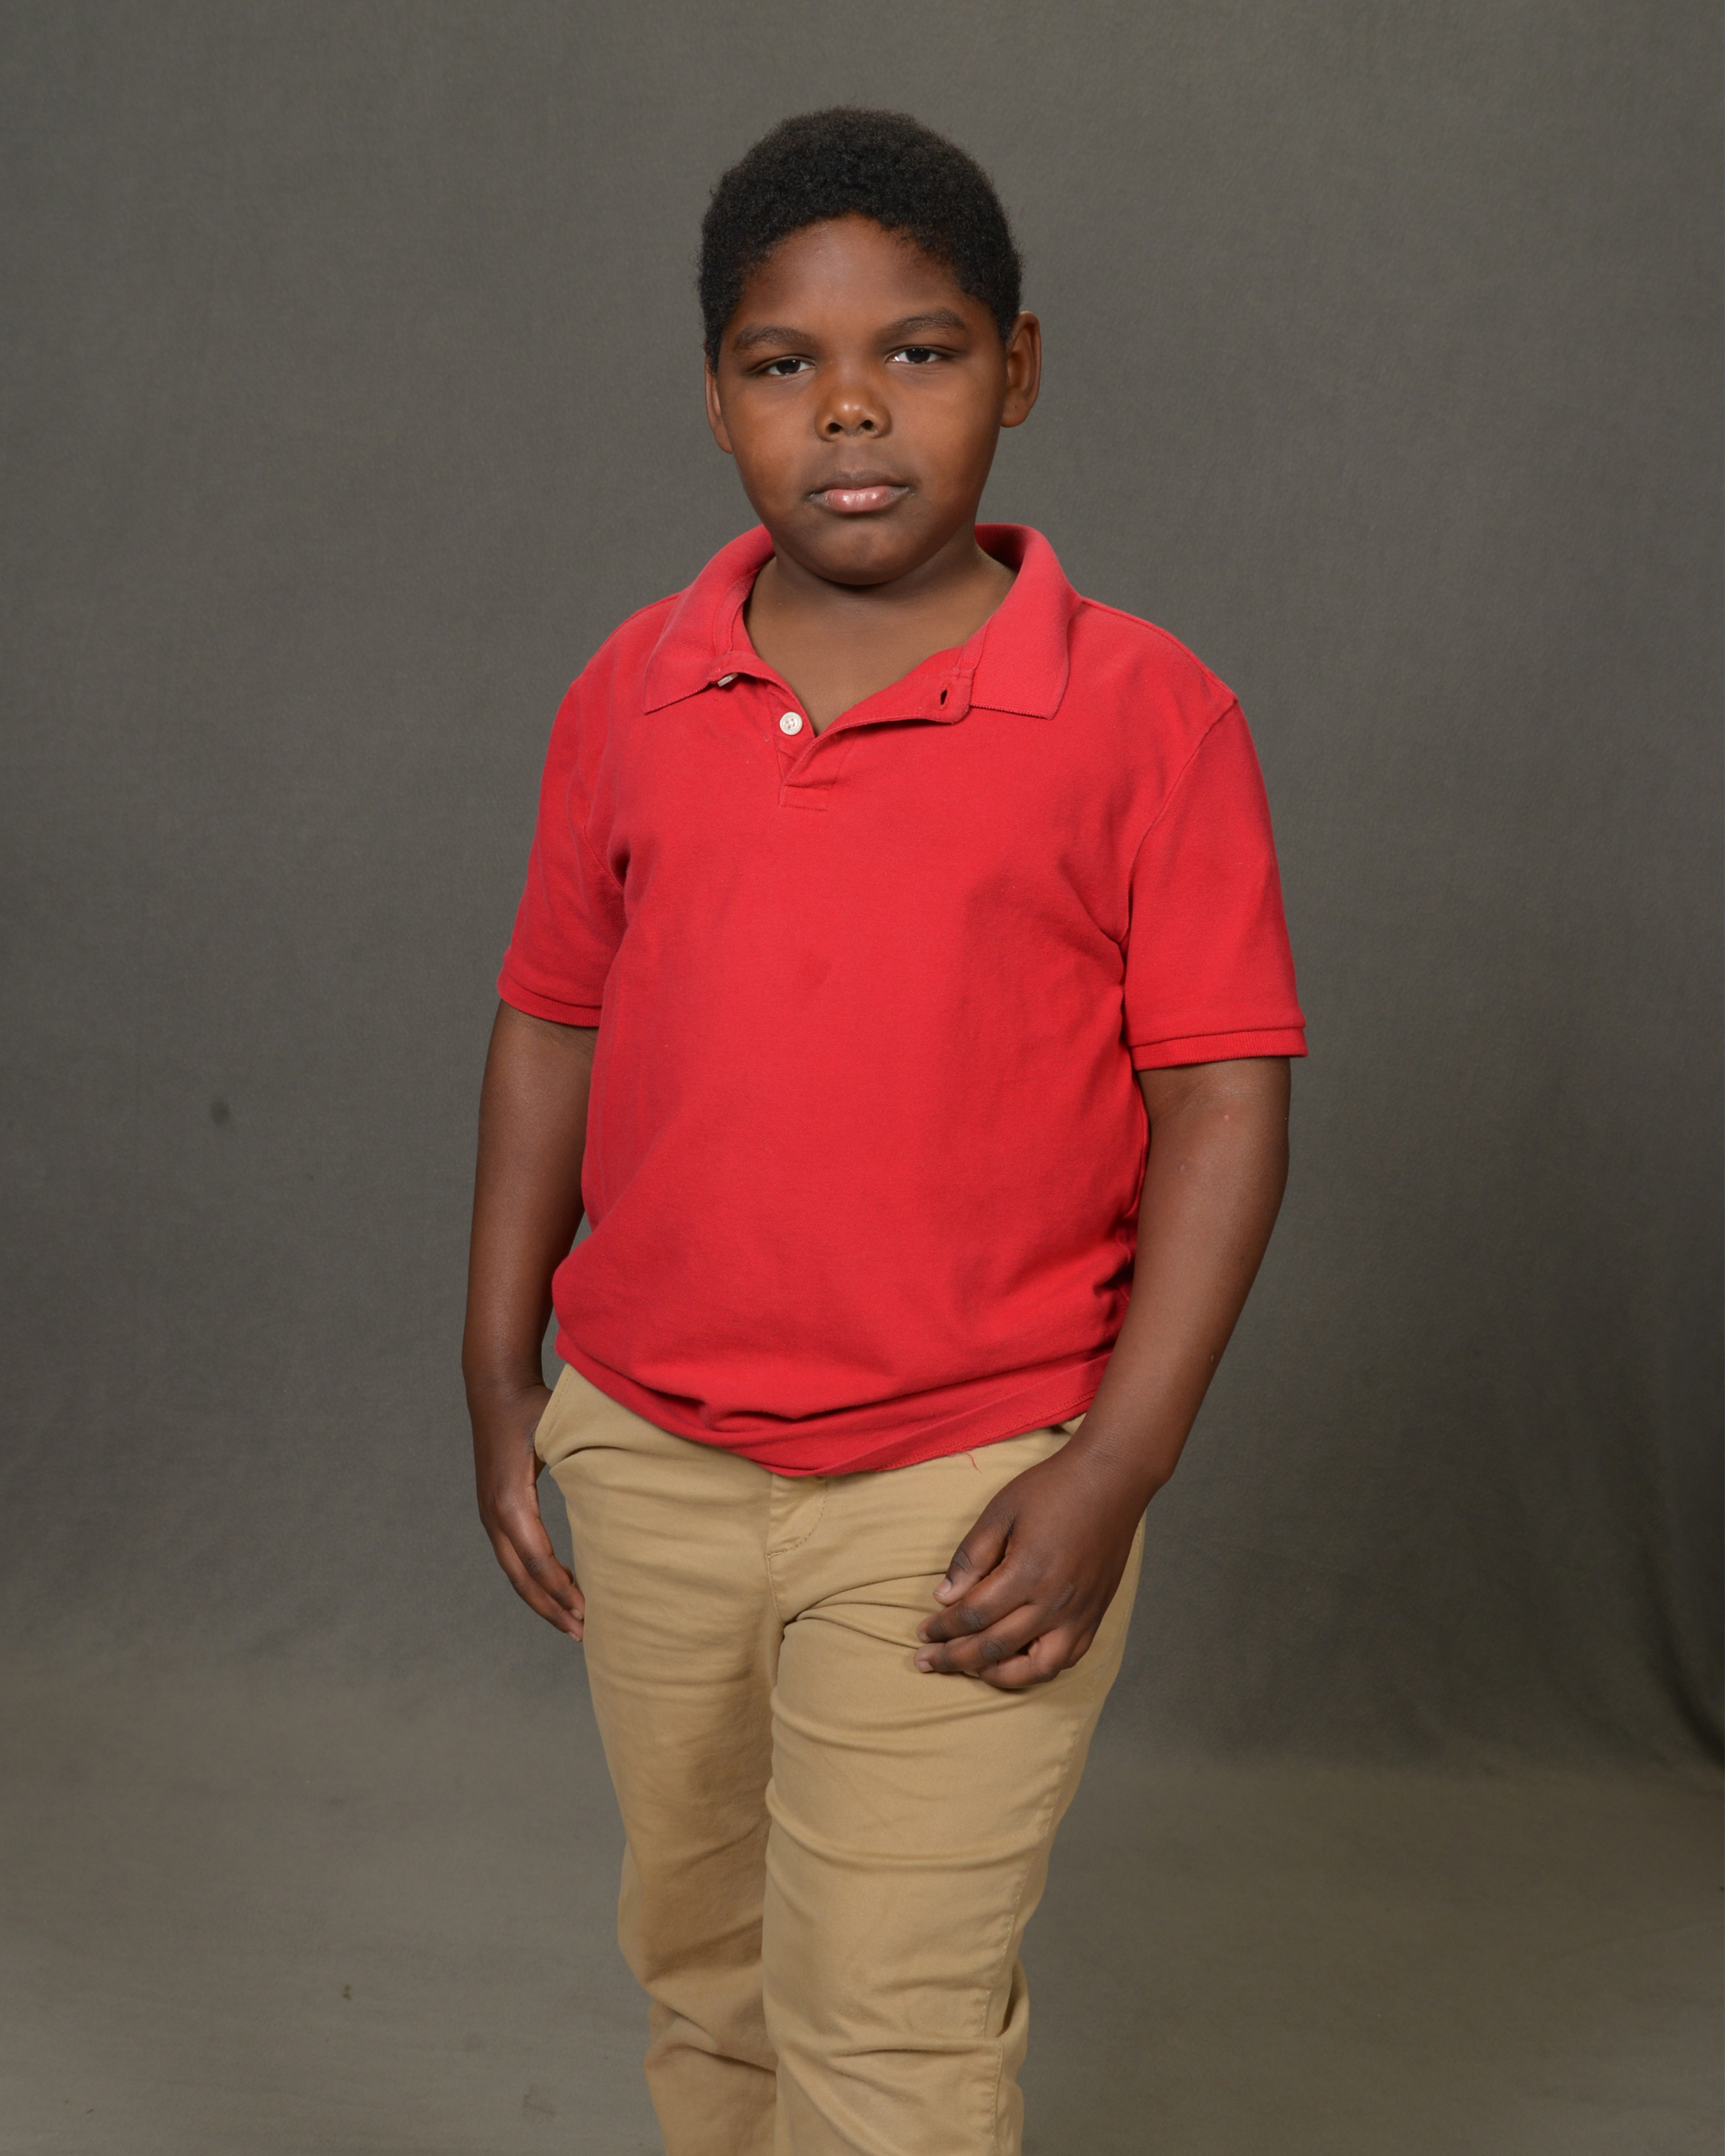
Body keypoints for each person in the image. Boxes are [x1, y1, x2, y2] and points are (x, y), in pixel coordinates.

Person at [464, 107, 1305, 2156]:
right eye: (787, 363)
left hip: (969, 1492)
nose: (850, 409)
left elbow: (1223, 1099)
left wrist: (1116, 1465)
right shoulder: (632, 691)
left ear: (1018, 368)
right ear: (717, 396)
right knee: (712, 1976)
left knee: (889, 2026)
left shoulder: (1143, 712)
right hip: (651, 1455)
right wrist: (499, 1368)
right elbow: (551, 1028)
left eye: (917, 353)